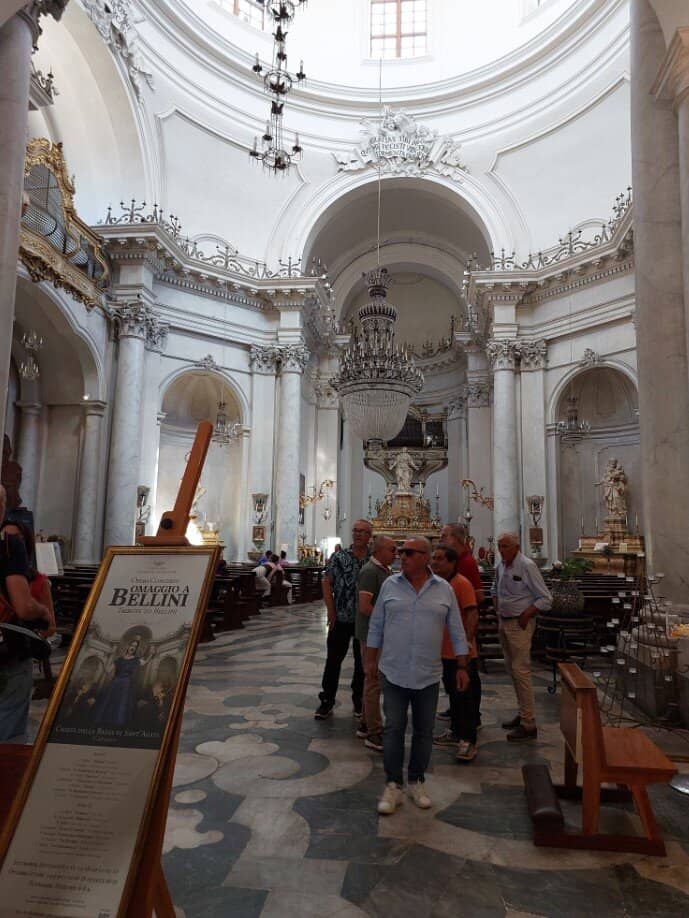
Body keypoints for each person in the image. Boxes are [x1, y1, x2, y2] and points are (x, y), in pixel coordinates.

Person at [366, 537, 469, 815]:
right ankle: (393, 785)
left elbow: (456, 629)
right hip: (393, 670)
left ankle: (416, 781)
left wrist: (462, 666)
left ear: (425, 557)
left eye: (409, 553)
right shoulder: (390, 585)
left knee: (424, 731)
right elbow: (376, 625)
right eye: (401, 552)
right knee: (393, 729)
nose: (403, 556)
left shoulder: (444, 589)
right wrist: (370, 660)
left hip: (427, 673)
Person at [0, 485, 51, 741]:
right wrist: (41, 611)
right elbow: (23, 606)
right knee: (8, 725)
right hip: (5, 650)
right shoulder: (9, 547)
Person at [493, 531, 552, 742]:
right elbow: (495, 588)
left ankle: (529, 724)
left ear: (516, 547)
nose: (501, 551)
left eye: (505, 546)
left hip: (520, 624)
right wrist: (497, 607)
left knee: (521, 671)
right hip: (504, 622)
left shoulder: (527, 566)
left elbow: (546, 599)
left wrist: (526, 615)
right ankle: (523, 712)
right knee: (512, 670)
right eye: (499, 546)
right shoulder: (500, 566)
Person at [314, 520, 372, 720]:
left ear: (369, 536)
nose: (358, 534)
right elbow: (326, 582)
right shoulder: (340, 557)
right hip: (341, 617)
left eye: (362, 531)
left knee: (362, 663)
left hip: (364, 619)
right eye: (355, 531)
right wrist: (331, 611)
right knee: (333, 660)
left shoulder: (373, 559)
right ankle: (327, 700)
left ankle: (359, 701)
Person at [430, 545, 479, 762]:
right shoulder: (438, 584)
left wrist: (466, 645)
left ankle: (468, 740)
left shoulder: (461, 583)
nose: (434, 562)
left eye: (440, 558)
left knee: (464, 697)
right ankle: (456, 732)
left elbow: (472, 614)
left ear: (451, 563)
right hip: (444, 651)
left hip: (460, 653)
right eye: (433, 557)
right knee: (454, 696)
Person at [438, 523, 484, 725]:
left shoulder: (466, 563)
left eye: (444, 535)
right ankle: (460, 713)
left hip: (462, 632)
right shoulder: (457, 562)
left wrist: (466, 639)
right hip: (450, 635)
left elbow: (478, 597)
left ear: (456, 539)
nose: (440, 538)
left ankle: (470, 720)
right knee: (454, 679)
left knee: (466, 677)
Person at [356, 535, 396, 752]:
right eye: (392, 550)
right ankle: (374, 732)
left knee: (371, 679)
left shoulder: (383, 570)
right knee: (373, 680)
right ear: (379, 551)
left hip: (379, 632)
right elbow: (364, 606)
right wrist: (388, 622)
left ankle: (365, 722)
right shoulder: (371, 572)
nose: (395, 554)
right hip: (372, 634)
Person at [91, 636, 155, 727]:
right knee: (108, 702)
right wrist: (101, 660)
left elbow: (144, 663)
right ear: (128, 646)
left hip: (125, 685)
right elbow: (108, 670)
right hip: (114, 683)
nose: (132, 648)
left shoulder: (136, 660)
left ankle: (116, 724)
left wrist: (151, 655)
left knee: (121, 704)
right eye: (132, 645)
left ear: (136, 649)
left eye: (135, 646)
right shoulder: (119, 659)